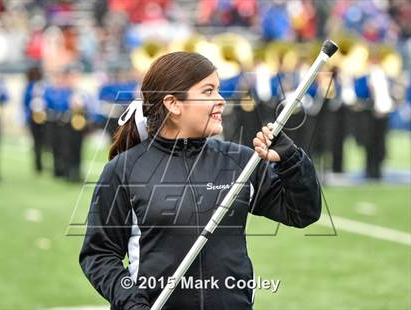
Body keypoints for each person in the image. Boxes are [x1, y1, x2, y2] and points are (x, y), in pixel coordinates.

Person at [79, 52, 322, 310]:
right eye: (208, 92)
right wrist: (131, 301)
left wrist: (291, 160)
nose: (220, 100)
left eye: (218, 90)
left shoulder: (240, 161)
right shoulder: (124, 170)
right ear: (173, 104)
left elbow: (302, 212)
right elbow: (99, 254)